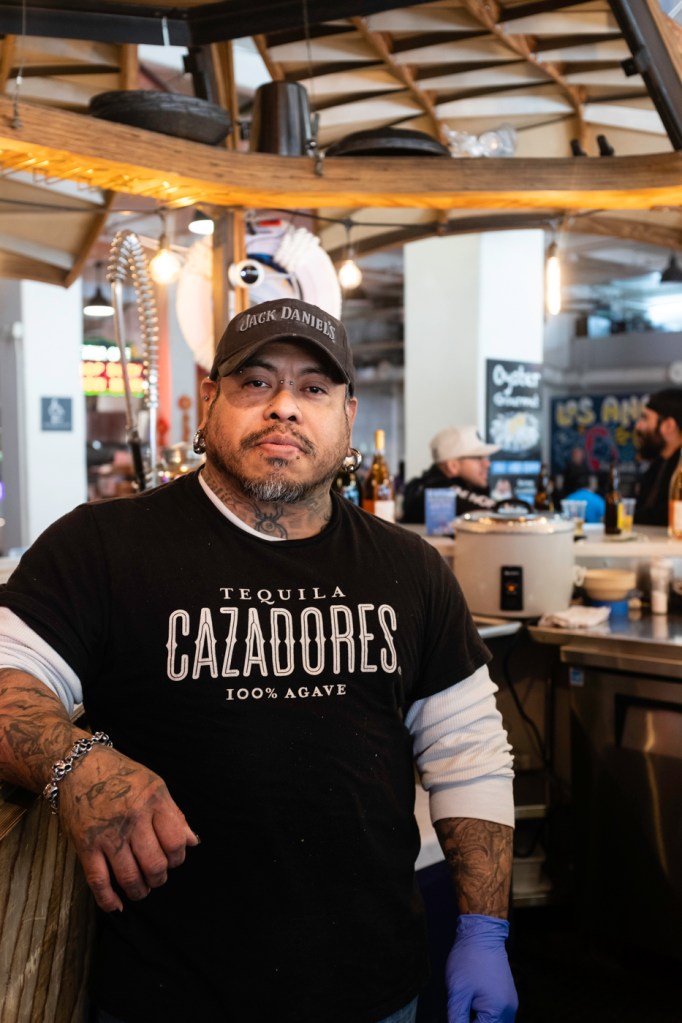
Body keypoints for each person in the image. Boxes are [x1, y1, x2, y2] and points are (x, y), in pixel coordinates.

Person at [0, 297, 516, 1023]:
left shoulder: (412, 569)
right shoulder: (103, 547)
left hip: (370, 989)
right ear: (210, 400)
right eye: (256, 381)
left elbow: (470, 756)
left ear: (347, 415)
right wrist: (76, 763)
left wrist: (484, 928)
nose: (284, 406)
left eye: (314, 387)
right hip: (163, 996)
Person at [402, 425, 500, 523]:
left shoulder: (423, 485)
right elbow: (499, 512)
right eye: (478, 458)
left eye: (486, 458)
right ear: (453, 466)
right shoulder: (438, 490)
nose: (487, 464)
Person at [633, 387, 682, 526]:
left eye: (645, 418)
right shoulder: (657, 466)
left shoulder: (679, 471)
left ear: (669, 426)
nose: (638, 426)